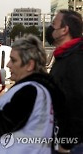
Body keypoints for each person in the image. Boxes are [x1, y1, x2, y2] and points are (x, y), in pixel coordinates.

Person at [0, 34, 64, 154]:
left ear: (29, 65)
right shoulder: (33, 88)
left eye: (13, 60)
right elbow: (10, 114)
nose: (8, 65)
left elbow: (1, 124)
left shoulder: (30, 91)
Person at [46, 9, 83, 153]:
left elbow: (78, 104)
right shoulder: (65, 55)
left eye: (54, 24)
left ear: (64, 30)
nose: (51, 28)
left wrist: (66, 143)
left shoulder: (76, 59)